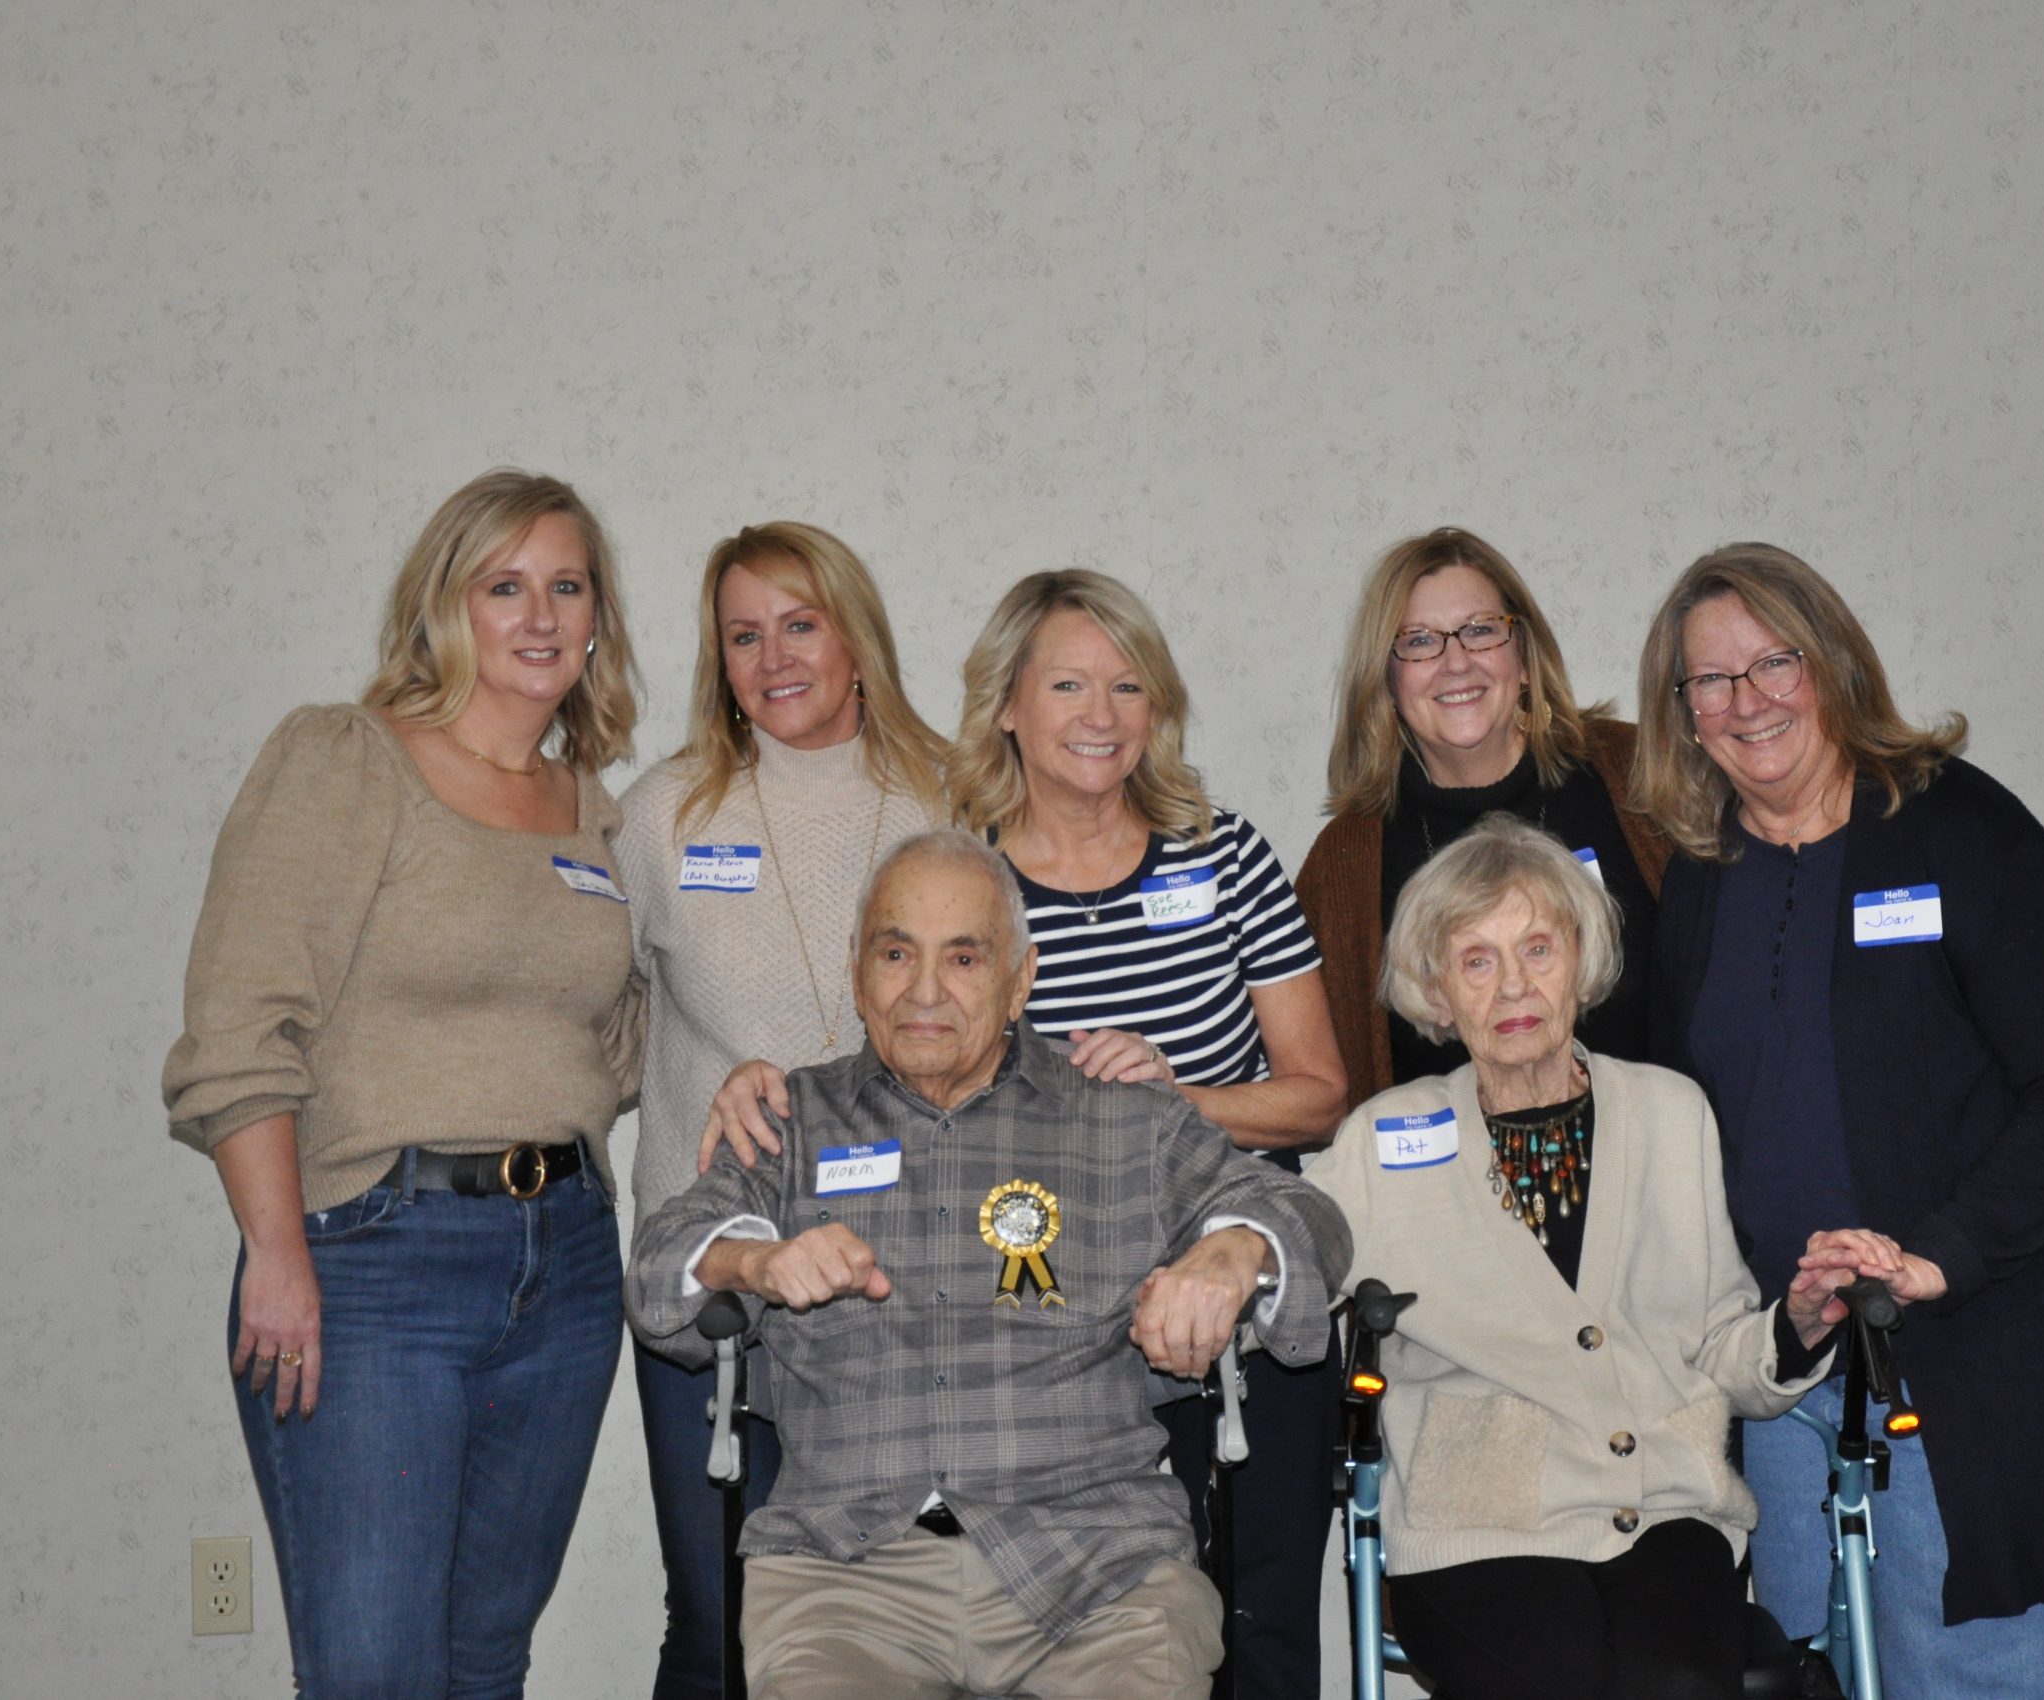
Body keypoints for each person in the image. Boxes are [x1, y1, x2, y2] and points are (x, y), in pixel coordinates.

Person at [706, 569, 1351, 1699]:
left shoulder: (1222, 854)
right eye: (1067, 684)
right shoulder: (963, 874)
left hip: (1198, 1285)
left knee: (1254, 1615)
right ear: (1007, 703)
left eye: (1127, 685)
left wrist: (1177, 1122)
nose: (1100, 712)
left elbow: (1318, 1097)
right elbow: (894, 1056)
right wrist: (761, 1098)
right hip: (1021, 1345)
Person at [1635, 542, 2044, 1700]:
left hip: (1990, 1371)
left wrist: (1942, 1252)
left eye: (1774, 661)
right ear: (1681, 711)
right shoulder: (1700, 872)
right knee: (1806, 1678)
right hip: (1795, 1384)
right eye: (1710, 679)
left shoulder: (1958, 831)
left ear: (1831, 662)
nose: (1747, 700)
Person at [162, 469, 647, 1699]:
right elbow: (240, 1022)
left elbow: (618, 1036)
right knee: (375, 1672)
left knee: (484, 1661)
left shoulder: (597, 811)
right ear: (446, 605)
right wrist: (277, 1251)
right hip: (373, 1262)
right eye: (505, 585)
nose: (540, 615)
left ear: (596, 619)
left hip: (569, 1263)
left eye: (567, 586)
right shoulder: (349, 760)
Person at [1300, 815, 1847, 1700]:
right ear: (1436, 991)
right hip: (1479, 1524)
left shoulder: (1670, 1113)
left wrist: (1800, 1324)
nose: (1514, 985)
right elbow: (1288, 1238)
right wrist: (1231, 1253)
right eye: (1477, 960)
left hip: (1664, 1506)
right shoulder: (1387, 1137)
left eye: (1538, 949)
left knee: (1679, 1685)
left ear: (1582, 961)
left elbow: (1717, 1342)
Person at [615, 522, 946, 1698]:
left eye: (800, 624)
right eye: (743, 635)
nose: (773, 656)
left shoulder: (950, 796)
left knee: (886, 1630)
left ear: (856, 637)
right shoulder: (662, 815)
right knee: (721, 1622)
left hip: (900, 1282)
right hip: (712, 1279)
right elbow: (602, 1020)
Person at [1297, 527, 1671, 1107]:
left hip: (1651, 1153)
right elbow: (1330, 1084)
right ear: (1387, 679)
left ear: (1525, 658)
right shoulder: (1345, 861)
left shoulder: (1637, 776)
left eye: (1480, 630)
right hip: (1453, 1165)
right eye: (1419, 641)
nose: (1455, 662)